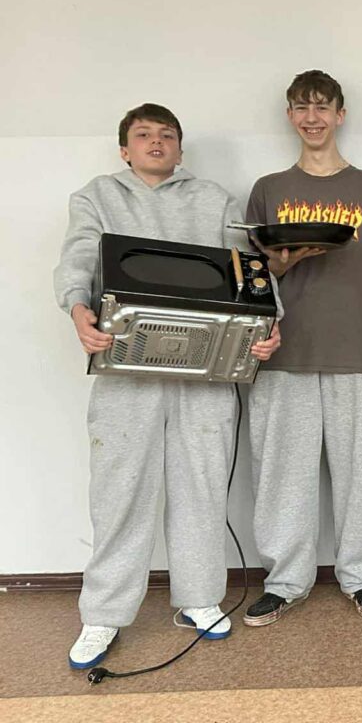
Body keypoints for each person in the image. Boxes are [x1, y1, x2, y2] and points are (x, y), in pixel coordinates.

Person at [54, 103, 281, 669]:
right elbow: (78, 258)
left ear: (180, 148)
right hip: (126, 368)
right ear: (125, 149)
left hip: (205, 369)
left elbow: (250, 268)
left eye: (167, 135)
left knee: (201, 486)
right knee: (119, 493)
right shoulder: (97, 196)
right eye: (143, 135)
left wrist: (269, 324)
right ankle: (104, 614)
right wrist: (78, 309)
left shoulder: (214, 199)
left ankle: (199, 599)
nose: (156, 143)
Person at [242, 70, 362, 627]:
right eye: (301, 107)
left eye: (321, 107)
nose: (311, 117)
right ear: (289, 115)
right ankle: (284, 582)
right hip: (281, 355)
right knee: (282, 478)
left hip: (354, 352)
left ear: (340, 114)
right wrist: (285, 262)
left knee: (358, 475)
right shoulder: (269, 188)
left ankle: (361, 576)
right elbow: (256, 277)